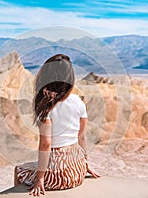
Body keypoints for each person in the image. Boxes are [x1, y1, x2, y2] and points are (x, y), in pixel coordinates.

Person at [14, 54, 99, 196]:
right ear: (70, 79)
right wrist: (85, 164)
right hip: (77, 169)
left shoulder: (46, 106)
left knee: (19, 170)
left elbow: (46, 145)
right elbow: (81, 137)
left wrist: (40, 178)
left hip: (58, 175)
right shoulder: (78, 101)